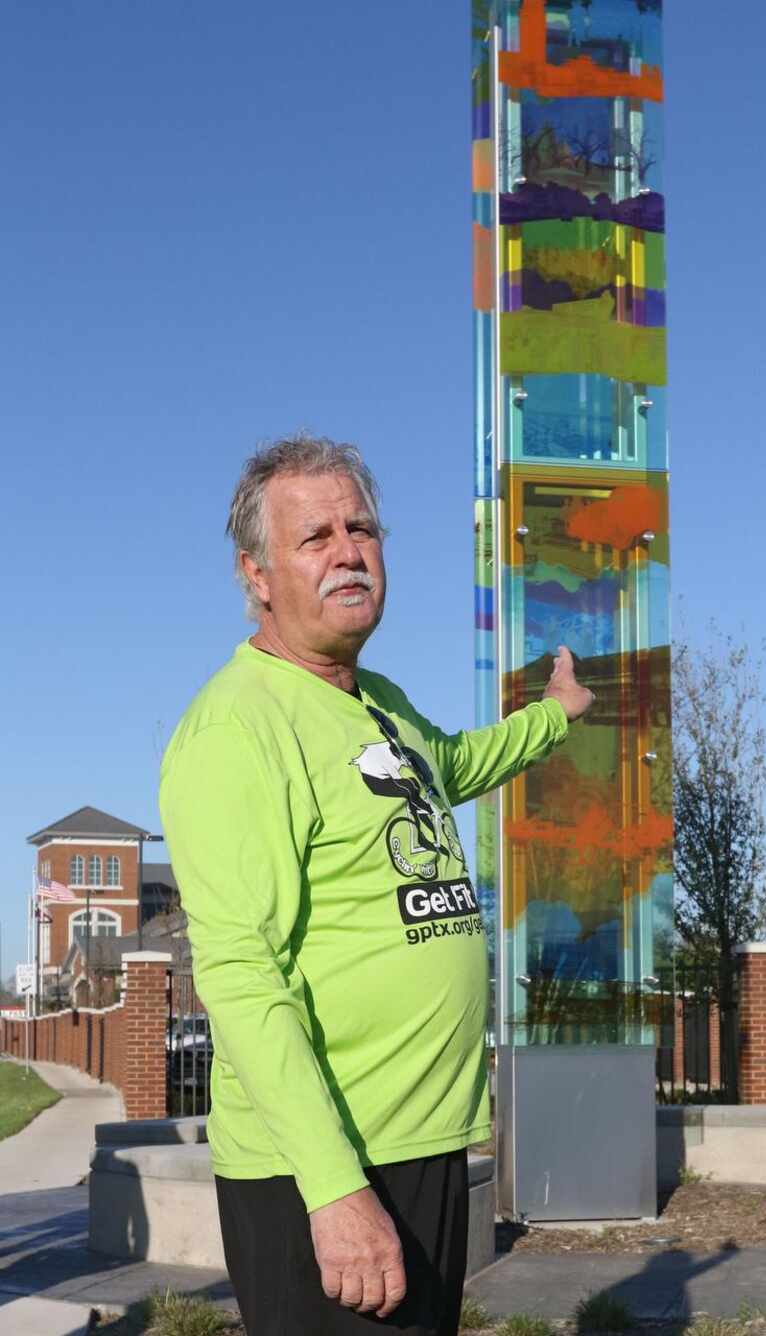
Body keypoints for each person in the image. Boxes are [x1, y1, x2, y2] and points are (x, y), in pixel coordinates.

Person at [159, 434, 595, 1336]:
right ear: (257, 574)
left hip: (421, 1149)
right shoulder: (237, 730)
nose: (348, 550)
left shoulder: (377, 699)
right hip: (325, 1174)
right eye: (314, 536)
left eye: (362, 527)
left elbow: (453, 764)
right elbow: (241, 978)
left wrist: (553, 718)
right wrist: (334, 1191)